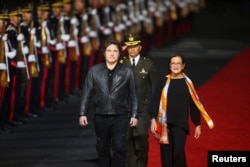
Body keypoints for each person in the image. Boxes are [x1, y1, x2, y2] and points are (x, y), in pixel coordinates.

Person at [79, 37, 138, 167]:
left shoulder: (127, 71)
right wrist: (82, 113)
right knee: (102, 149)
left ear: (119, 53)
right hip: (101, 115)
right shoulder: (94, 71)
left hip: (120, 116)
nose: (112, 53)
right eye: (109, 50)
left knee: (119, 148)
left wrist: (134, 114)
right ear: (104, 52)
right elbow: (86, 93)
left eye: (115, 51)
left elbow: (133, 94)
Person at [149, 53, 214, 167]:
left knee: (179, 150)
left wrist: (197, 124)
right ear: (169, 66)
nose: (176, 66)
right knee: (166, 154)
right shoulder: (163, 81)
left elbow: (194, 104)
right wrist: (153, 119)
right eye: (173, 63)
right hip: (164, 123)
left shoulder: (188, 83)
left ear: (183, 66)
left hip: (180, 124)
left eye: (178, 63)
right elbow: (155, 100)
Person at [122, 33, 158, 167]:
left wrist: (154, 112)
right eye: (129, 46)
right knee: (125, 139)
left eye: (135, 46)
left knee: (141, 135)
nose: (132, 49)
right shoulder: (121, 63)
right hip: (124, 109)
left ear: (140, 47)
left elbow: (154, 88)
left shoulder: (148, 64)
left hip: (143, 109)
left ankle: (142, 162)